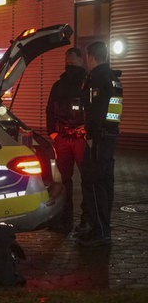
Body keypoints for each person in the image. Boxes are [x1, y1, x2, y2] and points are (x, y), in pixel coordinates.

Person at [77, 41, 123, 247]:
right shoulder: (113, 78)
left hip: (98, 138)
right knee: (105, 183)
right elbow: (114, 111)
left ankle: (99, 231)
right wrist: (109, 130)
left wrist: (91, 135)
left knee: (92, 182)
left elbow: (94, 110)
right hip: (110, 136)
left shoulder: (97, 79)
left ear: (90, 56)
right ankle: (104, 228)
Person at [46, 48, 88, 233]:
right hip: (62, 137)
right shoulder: (58, 85)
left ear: (82, 60)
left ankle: (86, 220)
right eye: (67, 62)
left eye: (72, 62)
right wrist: (52, 133)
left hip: (81, 138)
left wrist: (90, 132)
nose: (69, 65)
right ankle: (64, 218)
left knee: (88, 179)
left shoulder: (88, 83)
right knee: (62, 180)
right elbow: (50, 110)